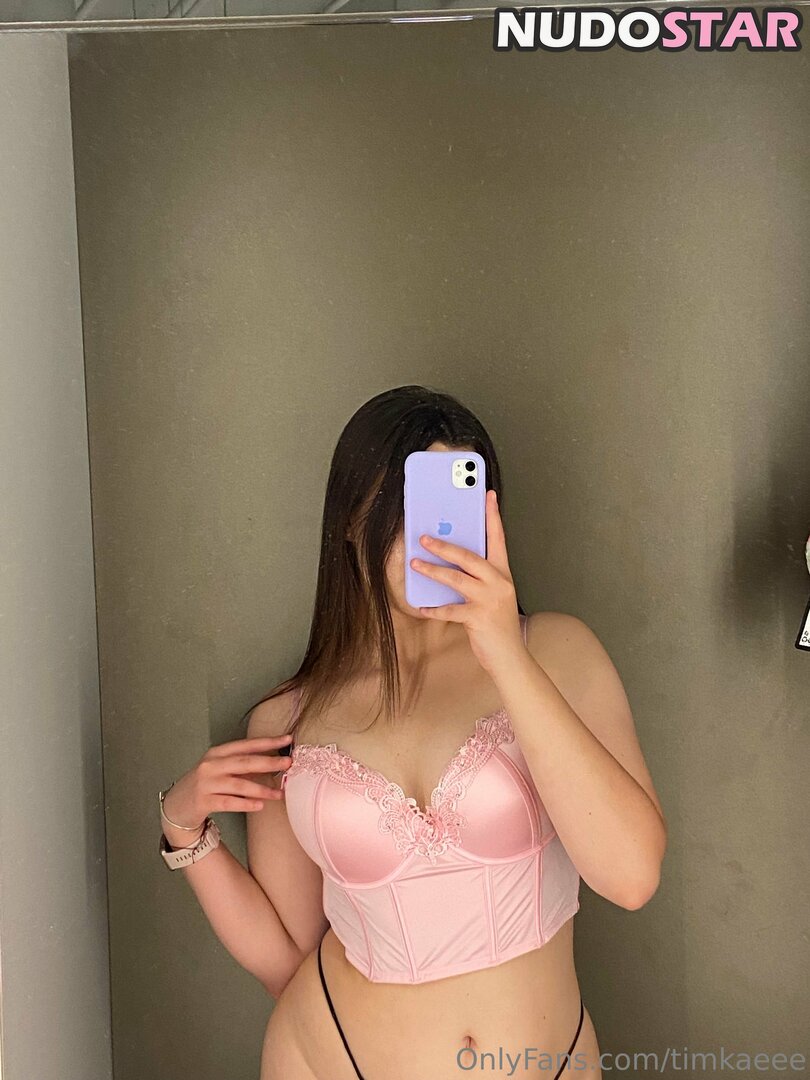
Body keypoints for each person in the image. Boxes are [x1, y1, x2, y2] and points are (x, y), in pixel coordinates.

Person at [157, 384, 667, 1080]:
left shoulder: (554, 652)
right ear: (350, 519)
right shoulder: (289, 719)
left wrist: (504, 652)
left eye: (449, 505)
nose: (428, 536)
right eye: (401, 507)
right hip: (328, 1060)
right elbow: (287, 961)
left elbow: (632, 875)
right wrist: (182, 826)